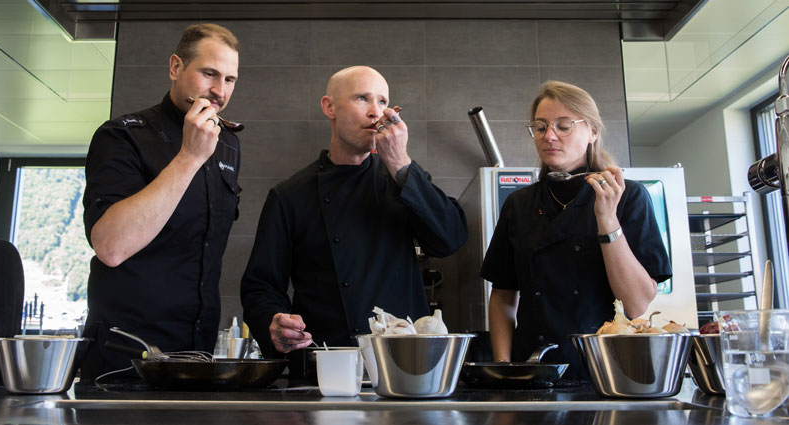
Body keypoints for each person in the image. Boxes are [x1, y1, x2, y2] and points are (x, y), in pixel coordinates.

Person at [240, 66, 468, 377]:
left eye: (383, 101)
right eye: (362, 98)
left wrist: (401, 164)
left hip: (404, 367)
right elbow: (261, 285)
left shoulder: (402, 179)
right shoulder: (289, 195)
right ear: (329, 106)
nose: (376, 112)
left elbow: (450, 239)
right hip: (323, 366)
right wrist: (275, 321)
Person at [80, 23, 242, 379]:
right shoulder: (122, 136)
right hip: (125, 354)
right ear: (175, 68)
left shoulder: (228, 143)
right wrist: (189, 157)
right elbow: (110, 246)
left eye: (229, 79)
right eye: (209, 74)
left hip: (195, 354)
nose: (219, 91)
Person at [480, 81, 671, 379]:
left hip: (605, 370)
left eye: (564, 126)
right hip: (532, 369)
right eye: (540, 127)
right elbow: (503, 294)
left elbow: (636, 304)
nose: (549, 136)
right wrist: (505, 368)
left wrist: (607, 220)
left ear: (593, 132)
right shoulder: (520, 203)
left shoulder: (628, 197)